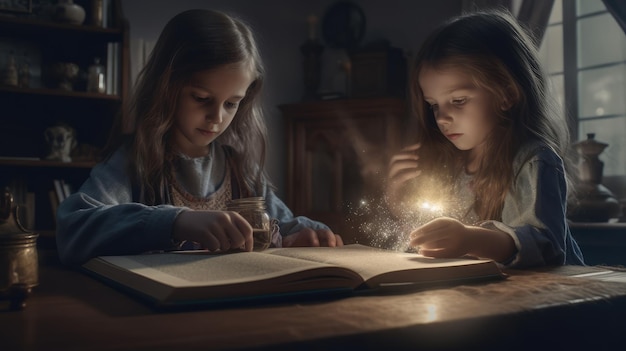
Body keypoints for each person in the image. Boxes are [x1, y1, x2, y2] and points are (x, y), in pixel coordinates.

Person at [56, 9, 342, 266]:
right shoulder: (135, 161)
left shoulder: (241, 170)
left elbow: (286, 224)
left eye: (231, 103)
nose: (217, 118)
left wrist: (311, 233)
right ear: (166, 87)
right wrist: (176, 222)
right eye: (201, 98)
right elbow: (72, 228)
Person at [385, 10, 584, 268]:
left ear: (507, 93)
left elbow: (545, 246)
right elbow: (433, 240)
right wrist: (398, 202)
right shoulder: (451, 164)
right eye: (434, 105)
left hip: (555, 299)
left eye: (458, 101)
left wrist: (471, 239)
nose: (442, 118)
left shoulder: (534, 161)